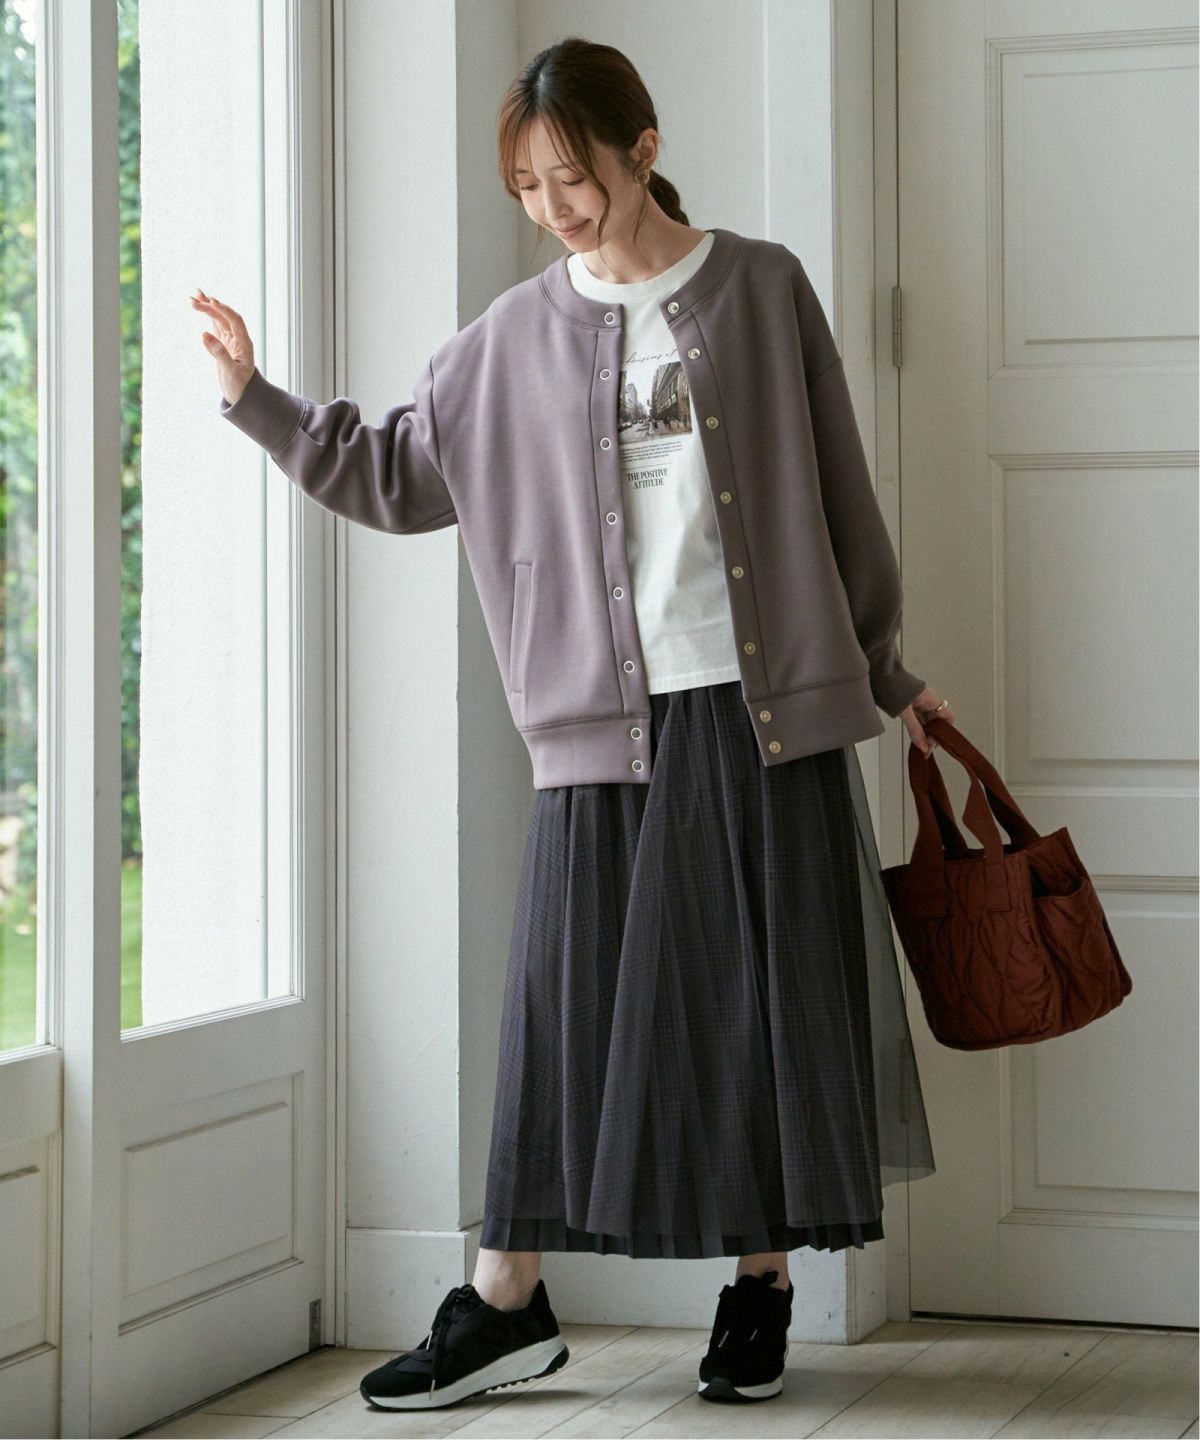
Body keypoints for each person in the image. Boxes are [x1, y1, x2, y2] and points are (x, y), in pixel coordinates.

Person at [193, 33, 951, 1415]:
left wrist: (889, 674)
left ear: (641, 149)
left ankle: (761, 1285)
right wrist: (258, 400)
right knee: (559, 1017)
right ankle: (506, 1300)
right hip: (602, 728)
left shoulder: (762, 288)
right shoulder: (510, 340)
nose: (553, 207)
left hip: (762, 715)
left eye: (572, 175)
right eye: (527, 186)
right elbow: (398, 474)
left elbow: (843, 492)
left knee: (757, 1009)